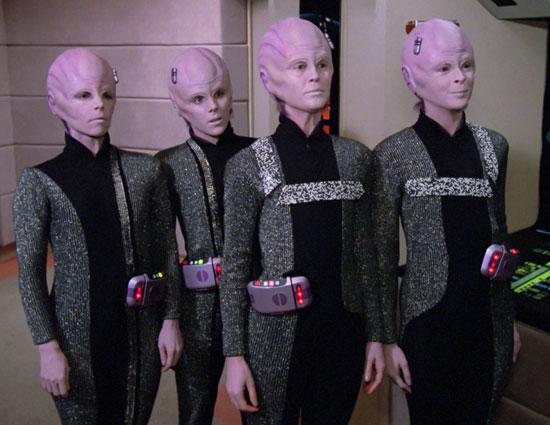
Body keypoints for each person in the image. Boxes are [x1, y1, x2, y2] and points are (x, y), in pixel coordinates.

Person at [220, 17, 385, 425]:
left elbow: (367, 256)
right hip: (272, 341)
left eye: (323, 64)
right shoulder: (248, 165)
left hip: (343, 334)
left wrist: (377, 336)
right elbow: (236, 263)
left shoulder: (355, 159)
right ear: (269, 79)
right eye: (299, 66)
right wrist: (234, 355)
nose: (315, 75)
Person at [13, 48, 182, 425]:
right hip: (75, 339)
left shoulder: (145, 171)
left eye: (107, 94)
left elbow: (166, 252)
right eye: (83, 95)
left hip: (140, 332)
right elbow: (30, 275)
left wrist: (171, 320)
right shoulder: (39, 182)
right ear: (55, 102)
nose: (98, 105)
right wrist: (47, 346)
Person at [373, 19, 521, 425]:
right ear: (411, 79)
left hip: (487, 324)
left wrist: (507, 320)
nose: (460, 77)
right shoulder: (393, 155)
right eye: (444, 68)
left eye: (467, 65)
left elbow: (500, 236)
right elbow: (382, 258)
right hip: (428, 326)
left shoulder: (494, 147)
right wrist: (385, 339)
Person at [156, 47, 255, 425]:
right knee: (195, 410)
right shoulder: (168, 164)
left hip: (255, 300)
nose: (213, 107)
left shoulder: (260, 153)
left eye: (219, 93)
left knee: (259, 405)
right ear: (178, 105)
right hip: (197, 306)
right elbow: (165, 249)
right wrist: (170, 319)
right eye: (198, 99)